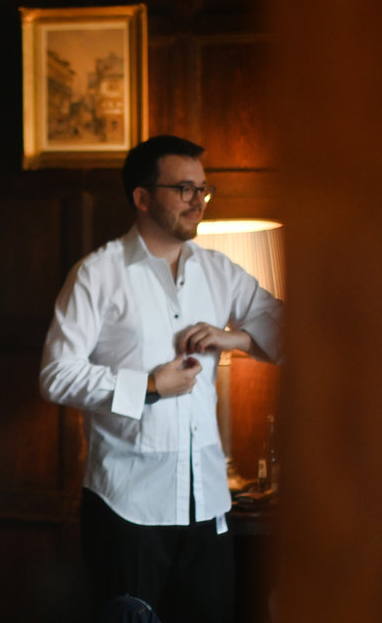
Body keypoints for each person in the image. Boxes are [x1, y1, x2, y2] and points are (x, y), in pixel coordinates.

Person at [38, 135, 283, 623]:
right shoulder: (97, 274)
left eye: (202, 189)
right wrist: (149, 387)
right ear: (143, 197)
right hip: (127, 506)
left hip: (208, 502)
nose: (198, 201)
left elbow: (293, 331)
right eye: (184, 189)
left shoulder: (220, 272)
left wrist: (232, 339)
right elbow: (56, 375)